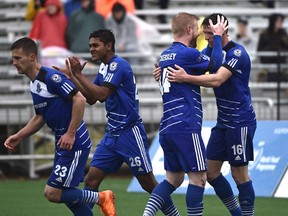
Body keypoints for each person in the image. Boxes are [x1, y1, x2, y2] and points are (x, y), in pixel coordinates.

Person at [54, 28, 180, 216]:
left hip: (130, 132)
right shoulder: (104, 67)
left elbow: (102, 95)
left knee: (148, 183)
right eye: (90, 46)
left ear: (109, 46)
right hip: (112, 134)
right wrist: (73, 77)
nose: (92, 49)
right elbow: (91, 98)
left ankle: (174, 215)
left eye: (96, 45)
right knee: (92, 179)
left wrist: (79, 76)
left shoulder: (118, 65)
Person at [5, 37, 116, 216]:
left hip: (74, 141)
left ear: (32, 57)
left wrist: (71, 133)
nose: (14, 62)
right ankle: (99, 199)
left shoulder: (51, 77)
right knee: (69, 197)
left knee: (53, 192)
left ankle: (101, 198)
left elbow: (79, 99)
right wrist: (20, 135)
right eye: (13, 58)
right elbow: (40, 116)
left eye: (18, 58)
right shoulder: (34, 84)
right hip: (63, 142)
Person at [166, 13, 257, 216]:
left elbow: (217, 80)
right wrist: (164, 71)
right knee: (211, 173)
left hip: (240, 121)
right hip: (223, 122)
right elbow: (196, 70)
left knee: (239, 174)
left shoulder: (237, 53)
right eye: (205, 32)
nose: (205, 37)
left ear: (221, 31)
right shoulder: (210, 51)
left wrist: (185, 77)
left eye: (209, 33)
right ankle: (237, 213)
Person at [142, 13, 227, 216]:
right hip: (186, 125)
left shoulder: (165, 55)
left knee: (173, 179)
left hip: (168, 127)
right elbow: (214, 64)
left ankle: (146, 214)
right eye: (196, 29)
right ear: (189, 30)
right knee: (198, 179)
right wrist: (216, 37)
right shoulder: (187, 55)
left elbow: (192, 66)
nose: (198, 33)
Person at [257, 13, 288, 82]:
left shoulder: (283, 34)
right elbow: (259, 50)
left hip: (280, 62)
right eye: (278, 21)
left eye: (281, 21)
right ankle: (263, 74)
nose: (280, 23)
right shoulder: (264, 34)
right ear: (273, 21)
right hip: (267, 62)